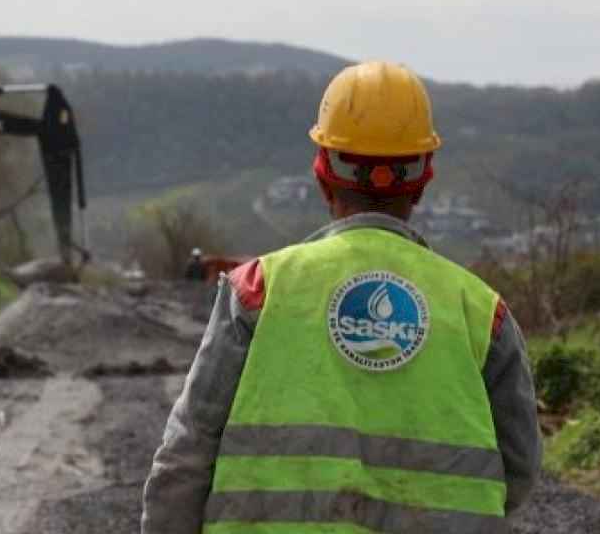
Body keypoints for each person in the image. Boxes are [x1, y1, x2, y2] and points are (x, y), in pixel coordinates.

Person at [141, 62, 540, 533]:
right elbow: (518, 467)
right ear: (423, 179)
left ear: (322, 174)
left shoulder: (259, 290)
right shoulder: (480, 310)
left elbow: (187, 455)